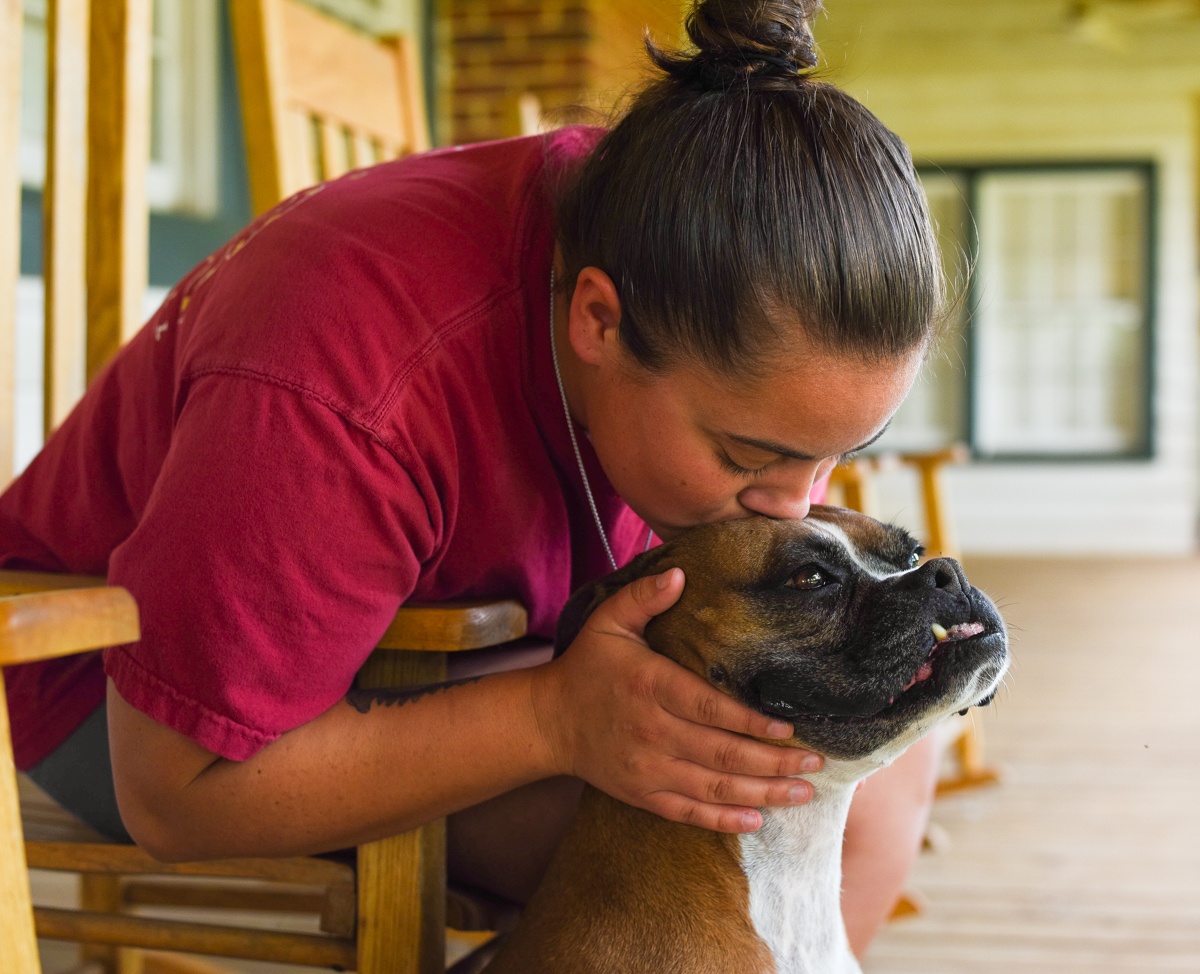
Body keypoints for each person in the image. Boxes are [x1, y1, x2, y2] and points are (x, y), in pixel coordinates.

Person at [0, 0, 946, 956]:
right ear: (598, 322)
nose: (796, 508)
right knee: (731, 819)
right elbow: (176, 791)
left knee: (879, 769)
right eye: (749, 457)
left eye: (833, 458)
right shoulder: (344, 378)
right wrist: (552, 718)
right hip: (127, 701)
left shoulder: (660, 218)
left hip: (434, 641)